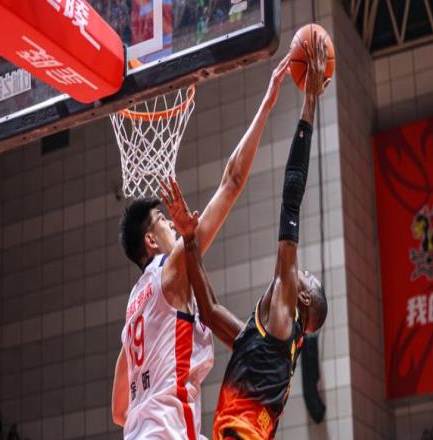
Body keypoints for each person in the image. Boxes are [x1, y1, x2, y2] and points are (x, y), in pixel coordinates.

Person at [111, 54, 291, 439]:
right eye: (163, 222)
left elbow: (118, 410)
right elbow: (232, 181)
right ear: (150, 241)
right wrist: (267, 102)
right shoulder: (171, 268)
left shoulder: (133, 308)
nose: (172, 227)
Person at [161, 32, 329, 440]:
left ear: (303, 299)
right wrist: (189, 238)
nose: (301, 271)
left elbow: (292, 195)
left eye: (308, 278)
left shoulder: (285, 312)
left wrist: (309, 102)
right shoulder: (264, 340)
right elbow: (210, 310)